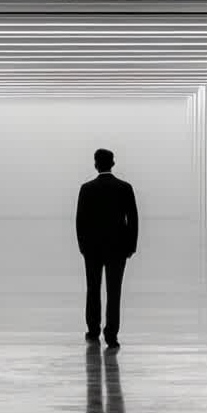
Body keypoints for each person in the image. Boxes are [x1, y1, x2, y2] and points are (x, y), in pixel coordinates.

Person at [75, 148, 138, 348]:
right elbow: (133, 220)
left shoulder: (86, 189)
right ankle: (111, 334)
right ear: (113, 163)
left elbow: (80, 221)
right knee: (114, 291)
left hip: (92, 249)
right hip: (118, 249)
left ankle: (93, 329)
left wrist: (83, 246)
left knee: (93, 288)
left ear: (96, 164)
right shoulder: (125, 188)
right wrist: (131, 246)